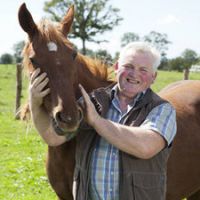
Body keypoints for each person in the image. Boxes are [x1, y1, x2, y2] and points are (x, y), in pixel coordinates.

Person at [29, 41, 177, 200]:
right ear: (116, 67)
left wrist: (97, 121)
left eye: (143, 70)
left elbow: (145, 147)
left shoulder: (162, 109)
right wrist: (34, 101)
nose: (134, 74)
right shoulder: (92, 101)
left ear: (153, 77)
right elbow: (53, 137)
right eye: (129, 66)